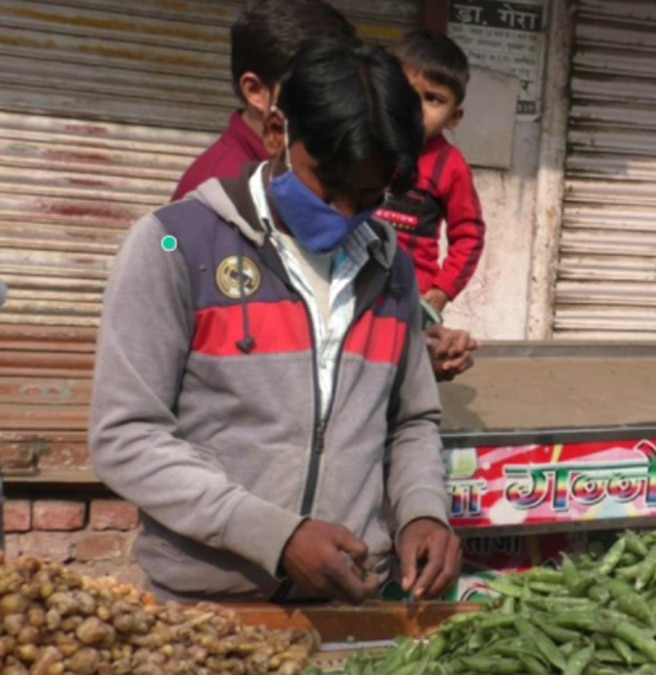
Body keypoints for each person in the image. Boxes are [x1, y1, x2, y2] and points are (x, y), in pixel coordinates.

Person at [89, 39, 462, 604]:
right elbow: (126, 435)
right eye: (329, 186)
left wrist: (422, 511)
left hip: (348, 601)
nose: (345, 213)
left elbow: (410, 421)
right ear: (276, 133)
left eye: (366, 195)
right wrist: (273, 535)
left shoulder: (390, 267)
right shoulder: (172, 245)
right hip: (207, 611)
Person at [171, 3, 477, 382]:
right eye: (315, 82)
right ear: (261, 101)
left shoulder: (372, 235)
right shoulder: (208, 205)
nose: (344, 211)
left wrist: (410, 353)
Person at [171, 0, 356, 201]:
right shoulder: (220, 194)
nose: (334, 98)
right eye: (315, 86)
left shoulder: (314, 165)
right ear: (255, 91)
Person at [375, 30, 486, 317]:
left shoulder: (451, 166)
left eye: (433, 99)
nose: (416, 107)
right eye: (407, 93)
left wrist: (443, 289)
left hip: (410, 298)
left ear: (454, 117)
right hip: (350, 287)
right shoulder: (364, 144)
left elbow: (469, 235)